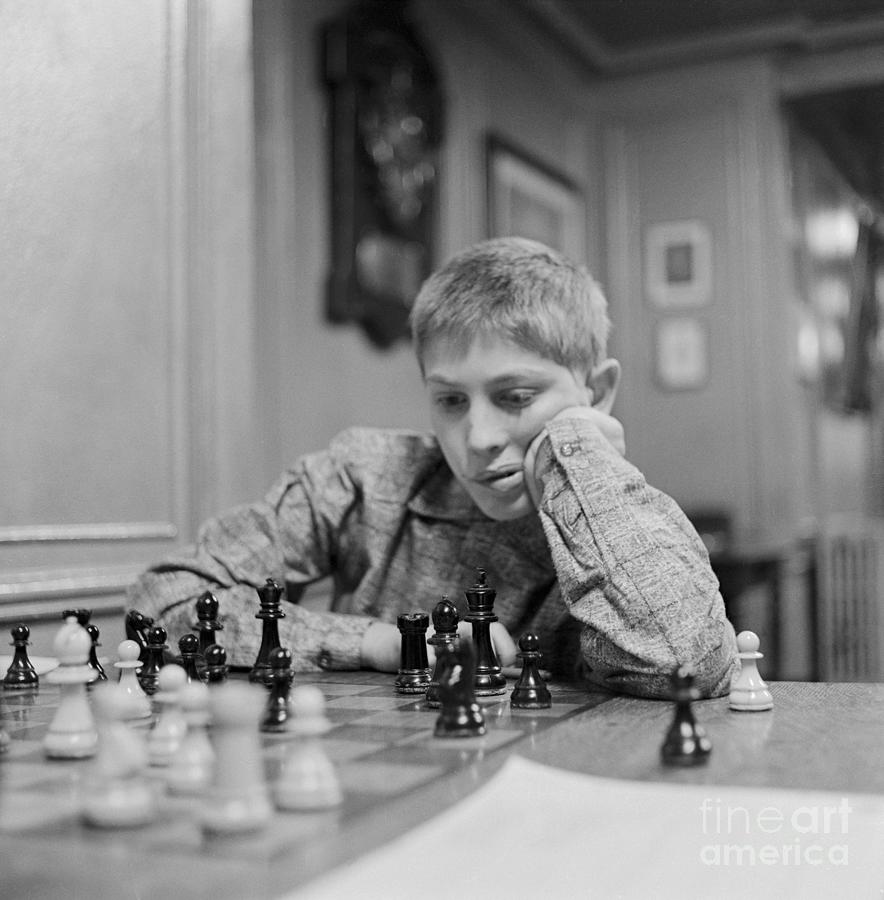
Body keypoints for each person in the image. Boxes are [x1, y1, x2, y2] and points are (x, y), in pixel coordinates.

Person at [128, 237, 737, 699]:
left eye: (517, 397)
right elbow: (164, 599)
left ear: (597, 392)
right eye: (450, 400)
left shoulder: (620, 521)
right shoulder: (364, 476)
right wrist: (384, 643)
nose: (477, 437)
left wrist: (575, 446)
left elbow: (687, 658)